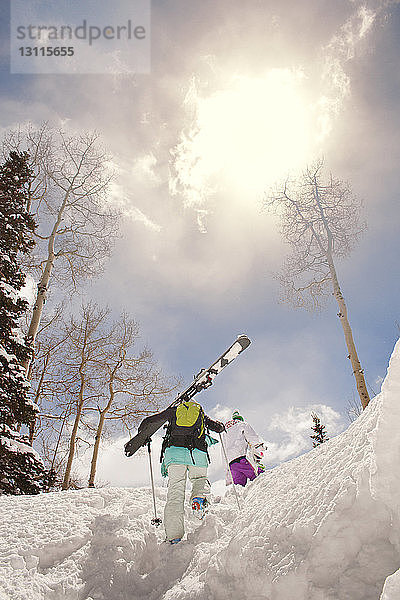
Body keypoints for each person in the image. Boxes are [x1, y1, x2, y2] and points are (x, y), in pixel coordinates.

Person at [136, 399, 225, 544]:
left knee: (175, 493)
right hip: (197, 453)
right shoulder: (200, 412)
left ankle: (173, 536)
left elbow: (149, 421)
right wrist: (220, 427)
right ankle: (198, 498)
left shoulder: (174, 411)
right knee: (199, 479)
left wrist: (142, 435)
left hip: (174, 454)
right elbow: (216, 427)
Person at [222, 410, 266, 487]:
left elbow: (223, 451)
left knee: (239, 487)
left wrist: (227, 470)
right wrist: (259, 449)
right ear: (240, 419)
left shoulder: (224, 432)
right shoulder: (242, 424)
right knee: (259, 477)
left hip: (231, 464)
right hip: (242, 459)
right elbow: (252, 438)